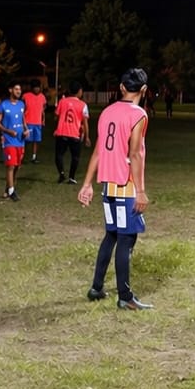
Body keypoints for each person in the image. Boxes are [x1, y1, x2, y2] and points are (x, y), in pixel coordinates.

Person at [78, 67, 153, 310]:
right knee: (126, 239)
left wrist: (87, 184)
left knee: (111, 235)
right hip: (125, 186)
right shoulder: (138, 114)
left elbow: (99, 150)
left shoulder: (107, 112)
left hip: (108, 186)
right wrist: (140, 191)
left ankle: (96, 287)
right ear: (143, 90)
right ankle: (125, 296)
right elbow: (134, 154)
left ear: (121, 87)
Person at [52, 82, 91, 185]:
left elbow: (56, 116)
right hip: (75, 134)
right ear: (79, 92)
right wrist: (87, 137)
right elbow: (85, 123)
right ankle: (72, 177)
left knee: (59, 155)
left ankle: (61, 173)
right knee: (75, 157)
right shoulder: (83, 105)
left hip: (61, 133)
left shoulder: (62, 101)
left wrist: (57, 127)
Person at [0, 81, 29, 200]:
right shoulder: (3, 105)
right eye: (16, 89)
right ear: (10, 90)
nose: (19, 91)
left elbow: (23, 119)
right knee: (10, 165)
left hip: (20, 140)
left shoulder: (21, 104)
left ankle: (8, 187)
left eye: (20, 89)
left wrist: (26, 130)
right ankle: (12, 191)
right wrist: (8, 131)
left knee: (17, 166)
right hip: (9, 140)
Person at [22, 81, 47, 164]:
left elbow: (43, 108)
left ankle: (34, 157)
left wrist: (43, 119)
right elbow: (22, 108)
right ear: (32, 88)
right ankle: (21, 155)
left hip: (38, 122)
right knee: (26, 140)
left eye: (38, 87)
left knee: (36, 140)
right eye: (35, 87)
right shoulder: (26, 96)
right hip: (28, 122)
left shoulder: (42, 97)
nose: (37, 89)